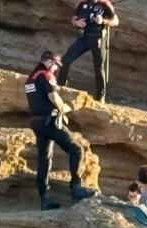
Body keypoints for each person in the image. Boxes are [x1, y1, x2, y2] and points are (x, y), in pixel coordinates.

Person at [25, 50, 97, 210]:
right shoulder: (46, 75)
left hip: (36, 121)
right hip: (49, 120)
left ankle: (45, 199)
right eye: (56, 66)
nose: (56, 69)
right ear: (50, 62)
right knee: (76, 149)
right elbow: (53, 97)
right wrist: (63, 108)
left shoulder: (31, 78)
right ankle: (76, 187)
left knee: (44, 159)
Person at [59, 0, 118, 102]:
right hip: (84, 37)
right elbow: (74, 18)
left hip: (98, 38)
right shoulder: (82, 3)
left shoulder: (104, 4)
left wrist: (103, 21)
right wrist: (76, 23)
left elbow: (115, 20)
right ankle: (61, 88)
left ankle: (100, 97)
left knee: (99, 68)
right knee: (66, 60)